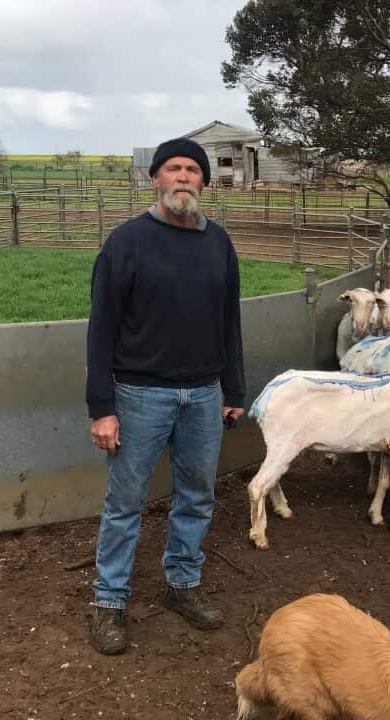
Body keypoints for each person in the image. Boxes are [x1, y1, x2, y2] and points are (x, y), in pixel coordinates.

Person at [84, 137, 246, 655]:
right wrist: (102, 406)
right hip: (139, 394)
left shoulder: (218, 243)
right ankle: (109, 600)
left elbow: (229, 322)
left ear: (203, 182)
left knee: (197, 495)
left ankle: (182, 585)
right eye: (173, 169)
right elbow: (101, 328)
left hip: (203, 393)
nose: (183, 177)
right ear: (155, 179)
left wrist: (233, 389)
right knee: (125, 502)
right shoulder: (127, 242)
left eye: (192, 170)